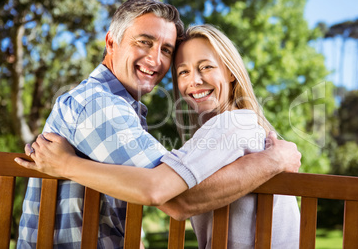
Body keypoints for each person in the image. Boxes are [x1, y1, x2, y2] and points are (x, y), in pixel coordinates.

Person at [16, 24, 301, 248]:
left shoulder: (230, 125)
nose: (194, 80)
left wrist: (65, 165)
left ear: (230, 73)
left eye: (206, 67)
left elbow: (172, 198)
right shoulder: (249, 129)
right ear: (111, 42)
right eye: (183, 72)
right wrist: (275, 159)